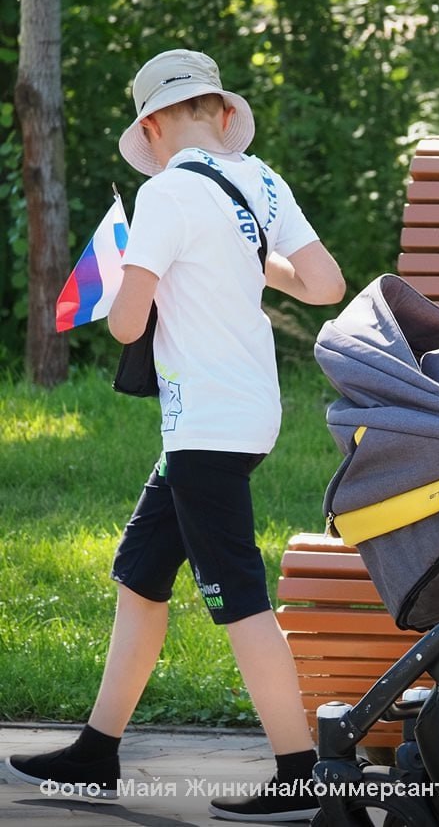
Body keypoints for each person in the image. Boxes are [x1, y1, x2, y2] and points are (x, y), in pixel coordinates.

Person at [3, 49, 345, 823]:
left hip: (205, 426)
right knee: (141, 575)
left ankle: (299, 768)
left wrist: (128, 268)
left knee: (239, 599)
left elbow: (126, 322)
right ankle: (96, 750)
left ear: (152, 128)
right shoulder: (260, 182)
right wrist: (254, 261)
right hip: (247, 415)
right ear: (223, 115)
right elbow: (325, 284)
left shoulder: (164, 195)